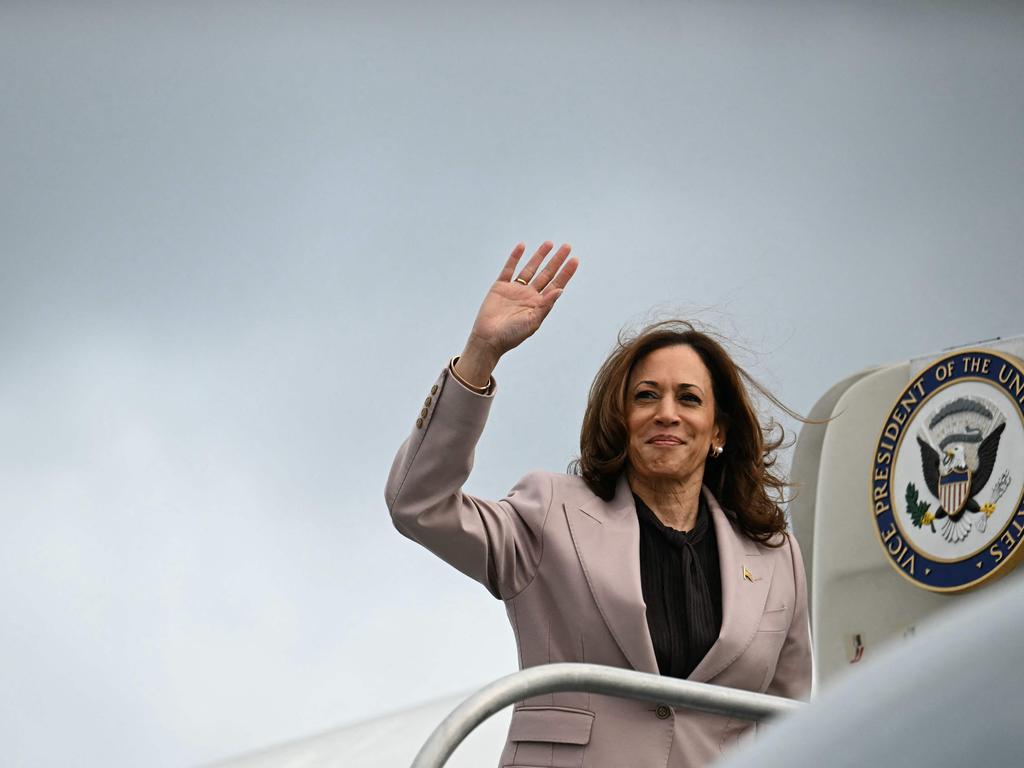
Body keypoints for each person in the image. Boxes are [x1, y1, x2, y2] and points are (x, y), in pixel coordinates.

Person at [385, 242, 812, 768]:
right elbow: (418, 504)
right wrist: (481, 354)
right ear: (621, 417)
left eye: (690, 398)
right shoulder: (550, 512)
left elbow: (793, 725)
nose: (667, 413)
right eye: (646, 396)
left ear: (718, 429)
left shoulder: (776, 558)